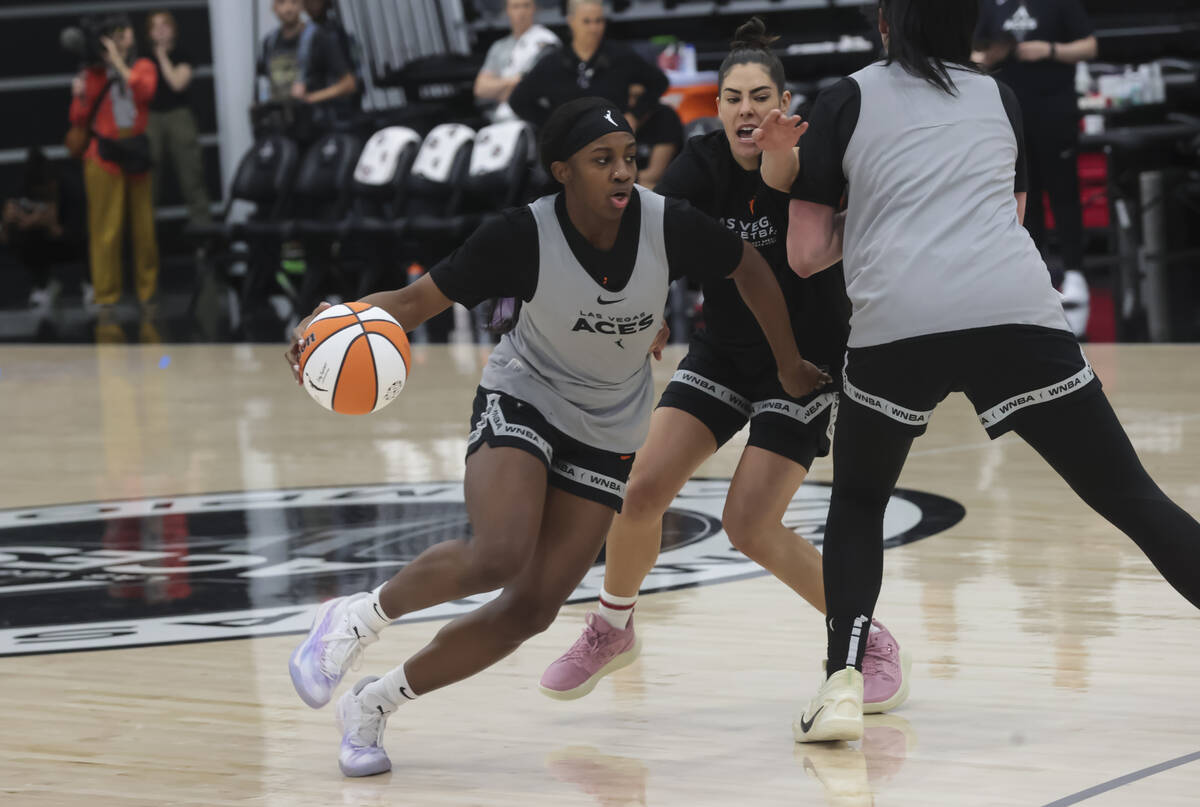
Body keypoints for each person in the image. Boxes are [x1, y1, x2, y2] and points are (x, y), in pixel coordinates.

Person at [283, 96, 830, 777]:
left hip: (608, 424)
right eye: (603, 162)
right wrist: (326, 323)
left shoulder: (668, 224)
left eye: (629, 158)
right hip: (527, 396)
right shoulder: (519, 235)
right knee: (499, 553)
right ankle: (354, 619)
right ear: (562, 171)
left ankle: (372, 704)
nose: (623, 173)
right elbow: (415, 302)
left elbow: (748, 266)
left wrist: (785, 360)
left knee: (532, 609)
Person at [752, 0, 1200, 744]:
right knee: (1130, 495)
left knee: (859, 502)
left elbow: (804, 255)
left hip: (899, 320)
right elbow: (1012, 214)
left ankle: (841, 680)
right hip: (1011, 308)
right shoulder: (1002, 96)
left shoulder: (845, 98)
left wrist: (874, 220)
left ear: (884, 26)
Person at [538, 18, 910, 714]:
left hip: (802, 363)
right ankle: (612, 626)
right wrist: (644, 315)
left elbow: (779, 176)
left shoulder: (813, 161)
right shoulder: (700, 165)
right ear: (716, 108)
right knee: (640, 487)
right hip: (724, 354)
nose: (746, 108)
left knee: (749, 525)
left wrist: (778, 152)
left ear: (784, 102)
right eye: (733, 97)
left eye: (760, 95)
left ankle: (866, 639)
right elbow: (651, 245)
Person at [972, 0, 1098, 337]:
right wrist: (991, 57)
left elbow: (1090, 45)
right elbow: (974, 53)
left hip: (1055, 109)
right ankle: (1036, 275)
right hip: (1009, 114)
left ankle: (1075, 272)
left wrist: (1050, 49)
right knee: (1024, 195)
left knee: (1064, 191)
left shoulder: (1058, 4)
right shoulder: (991, 6)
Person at [68, 14, 159, 312]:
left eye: (125, 33)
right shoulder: (93, 73)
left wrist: (119, 64)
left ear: (133, 36)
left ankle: (148, 292)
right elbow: (78, 119)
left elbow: (145, 91)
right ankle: (106, 296)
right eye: (113, 35)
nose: (120, 39)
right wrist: (79, 96)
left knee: (143, 228)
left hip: (134, 150)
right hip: (103, 154)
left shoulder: (143, 66)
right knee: (105, 229)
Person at [508, 0, 668, 130]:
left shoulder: (621, 55)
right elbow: (518, 100)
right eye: (587, 22)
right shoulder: (552, 63)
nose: (594, 28)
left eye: (599, 21)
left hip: (612, 137)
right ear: (571, 21)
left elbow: (659, 82)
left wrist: (635, 114)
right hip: (570, 146)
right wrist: (553, 124)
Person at [145, 10, 211, 226]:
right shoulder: (143, 59)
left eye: (165, 25)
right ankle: (146, 244)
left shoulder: (183, 55)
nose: (161, 30)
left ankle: (204, 239)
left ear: (173, 29)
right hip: (151, 118)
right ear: (149, 33)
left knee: (192, 176)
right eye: (155, 26)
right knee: (148, 180)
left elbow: (177, 83)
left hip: (179, 116)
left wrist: (162, 56)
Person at [0, 148, 83, 309]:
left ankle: (91, 283)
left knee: (92, 239)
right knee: (20, 237)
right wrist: (7, 223)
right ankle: (43, 284)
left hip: (71, 243)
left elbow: (81, 233)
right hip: (41, 244)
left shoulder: (72, 190)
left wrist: (51, 225)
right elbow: (5, 237)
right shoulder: (22, 192)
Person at [257, 0, 357, 125]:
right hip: (282, 128)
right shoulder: (269, 43)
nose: (288, 9)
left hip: (316, 126)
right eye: (282, 2)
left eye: (293, 2)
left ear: (302, 6)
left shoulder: (319, 37)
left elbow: (349, 84)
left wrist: (311, 98)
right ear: (274, 7)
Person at [474, 0, 560, 122]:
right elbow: (480, 89)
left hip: (534, 119)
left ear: (535, 9)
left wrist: (498, 90)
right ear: (507, 11)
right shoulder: (498, 47)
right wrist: (515, 80)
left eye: (526, 6)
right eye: (516, 7)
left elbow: (534, 87)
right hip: (500, 119)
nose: (521, 12)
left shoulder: (546, 42)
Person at [628, 91, 682, 190]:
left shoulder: (665, 117)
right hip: (635, 180)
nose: (631, 102)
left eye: (636, 96)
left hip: (659, 185)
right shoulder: (614, 114)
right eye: (627, 96)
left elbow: (654, 174)